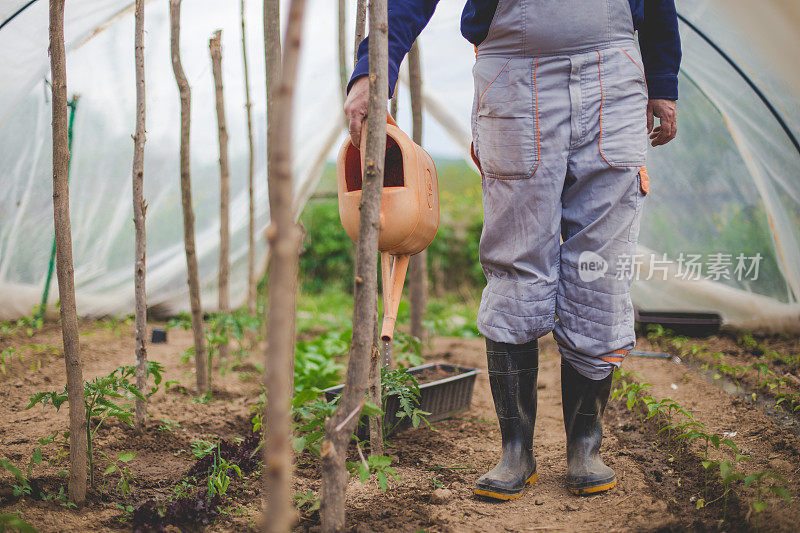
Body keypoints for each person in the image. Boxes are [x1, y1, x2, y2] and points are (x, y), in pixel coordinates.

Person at [345, 0, 681, 501]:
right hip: (515, 75)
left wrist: (663, 79)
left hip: (613, 73)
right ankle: (515, 449)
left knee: (601, 267)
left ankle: (585, 444)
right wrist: (372, 70)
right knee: (515, 258)